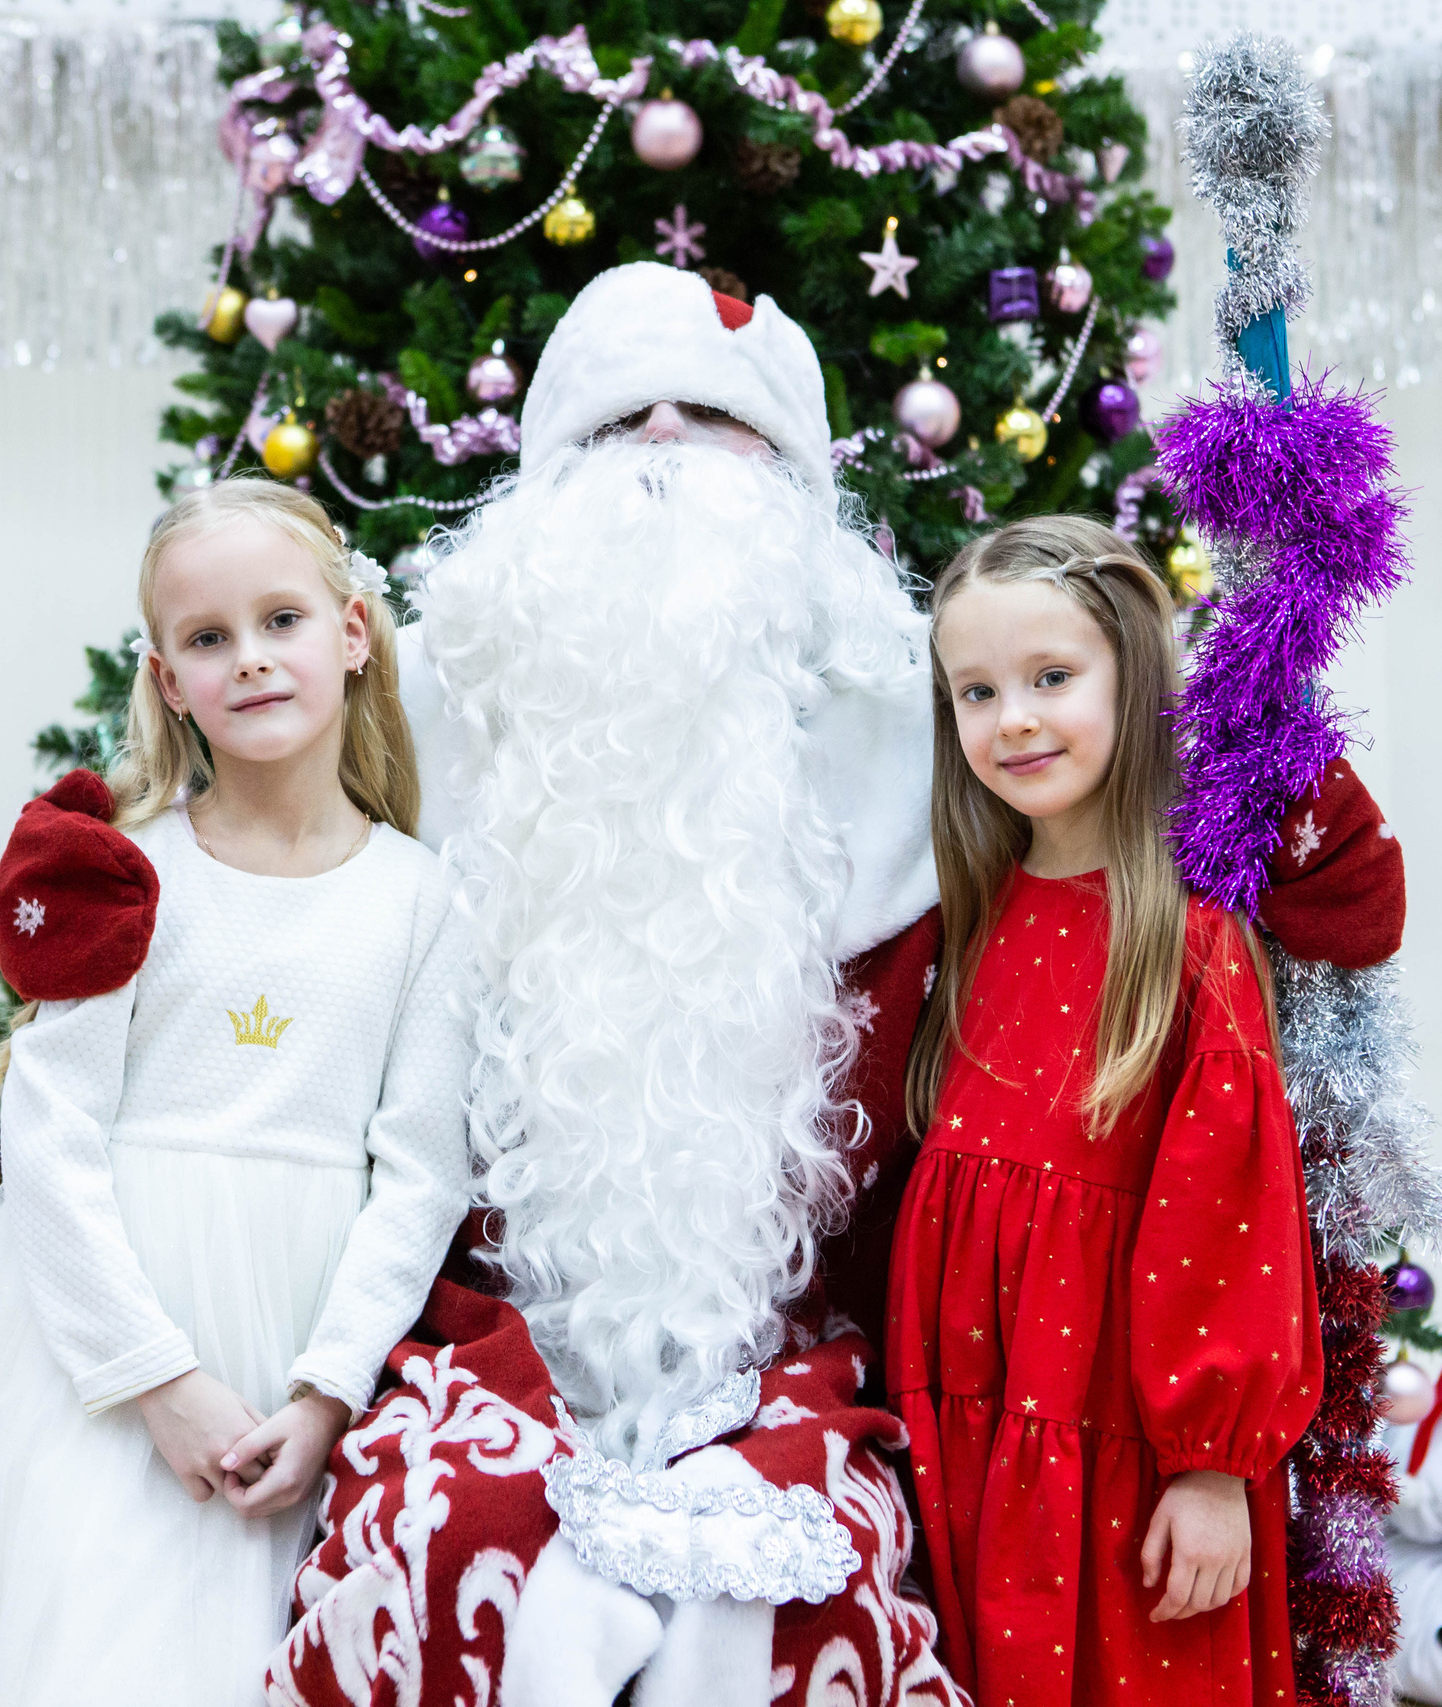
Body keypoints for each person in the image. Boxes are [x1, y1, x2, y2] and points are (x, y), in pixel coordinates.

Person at [267, 263, 958, 1707]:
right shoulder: (430, 740)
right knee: (443, 1540)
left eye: (712, 414)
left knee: (789, 1606)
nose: (658, 443)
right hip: (484, 1334)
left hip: (791, 1354)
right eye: (614, 418)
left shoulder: (915, 762)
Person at [0, 481, 476, 1707]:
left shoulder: (424, 902)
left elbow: (421, 1173)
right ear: (167, 676)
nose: (248, 659)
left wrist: (329, 1389)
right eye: (207, 638)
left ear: (351, 634)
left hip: (293, 1335)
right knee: (96, 1646)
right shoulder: (122, 876)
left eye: (280, 619)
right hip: (102, 1341)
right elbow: (52, 1135)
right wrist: (152, 1376)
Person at [887, 516, 1322, 1707]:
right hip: (971, 1426)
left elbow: (1230, 1216)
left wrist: (1214, 1470)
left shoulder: (1186, 935)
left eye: (1051, 678)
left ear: (1132, 673)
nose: (1012, 718)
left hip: (1121, 1445)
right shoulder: (970, 913)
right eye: (975, 692)